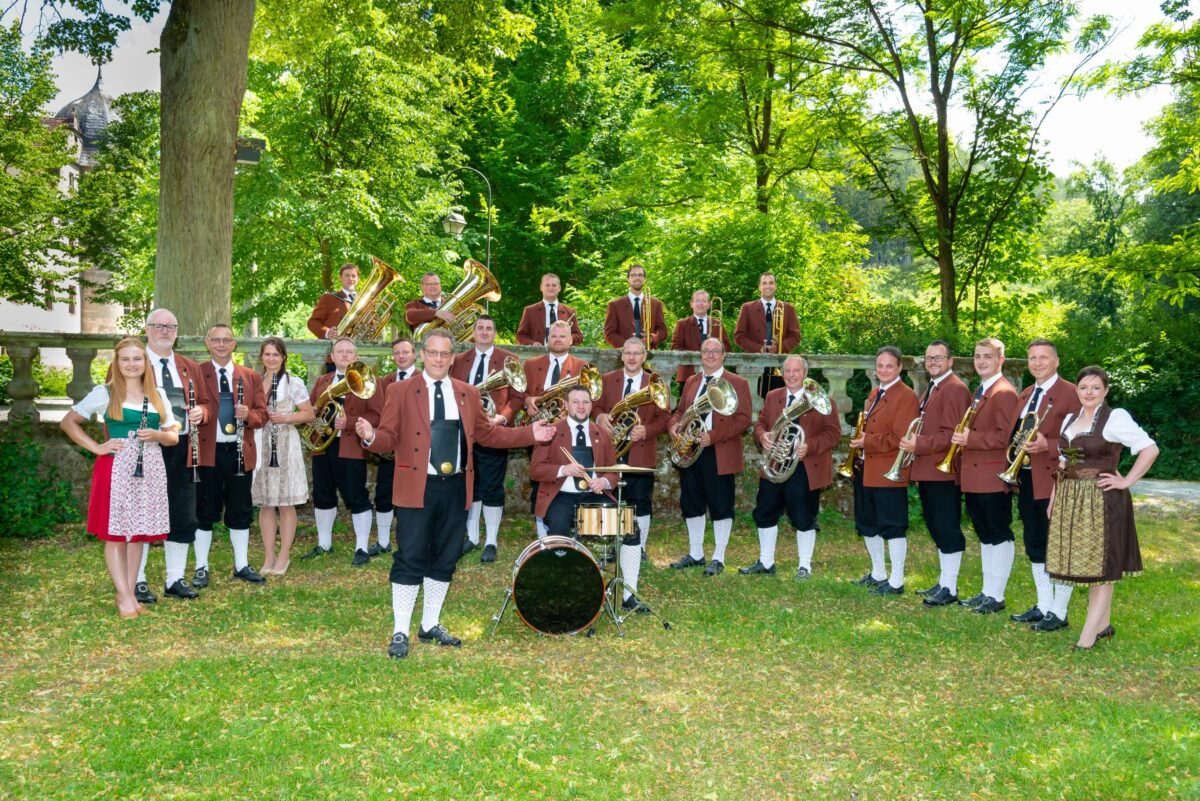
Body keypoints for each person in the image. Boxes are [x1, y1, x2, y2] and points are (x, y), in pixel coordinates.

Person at [356, 330, 555, 659]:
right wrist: (370, 436)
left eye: (444, 353)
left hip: (456, 487)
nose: (437, 358)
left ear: (452, 357)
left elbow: (488, 434)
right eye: (432, 352)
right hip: (418, 487)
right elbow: (388, 438)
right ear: (422, 354)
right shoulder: (400, 390)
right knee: (410, 556)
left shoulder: (467, 393)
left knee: (446, 557)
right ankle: (401, 630)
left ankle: (430, 624)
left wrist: (529, 433)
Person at [61, 337, 178, 618]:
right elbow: (68, 422)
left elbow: (173, 435)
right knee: (115, 534)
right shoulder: (106, 392)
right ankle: (125, 596)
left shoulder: (158, 394)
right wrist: (97, 447)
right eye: (125, 359)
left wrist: (159, 435)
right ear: (117, 362)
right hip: (116, 468)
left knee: (137, 534)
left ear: (145, 362)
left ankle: (127, 592)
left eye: (137, 358)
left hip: (149, 467)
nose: (131, 364)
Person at [1046, 366, 1159, 650]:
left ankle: (1087, 637)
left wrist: (1126, 481)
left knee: (1101, 568)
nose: (1089, 392)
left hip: (1102, 499)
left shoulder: (1115, 418)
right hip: (1072, 498)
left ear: (1106, 391)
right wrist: (1053, 498)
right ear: (1077, 389)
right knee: (1089, 563)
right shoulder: (1069, 419)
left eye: (1096, 387)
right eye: (1084, 387)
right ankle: (1104, 625)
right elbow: (1062, 463)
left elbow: (1149, 448)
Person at [136, 308, 213, 602]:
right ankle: (138, 579)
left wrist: (201, 411)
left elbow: (206, 403)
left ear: (177, 331)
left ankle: (175, 578)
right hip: (145, 447)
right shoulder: (132, 361)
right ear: (147, 328)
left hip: (182, 448)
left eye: (171, 326)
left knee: (182, 513)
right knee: (141, 512)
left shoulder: (188, 366)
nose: (165, 331)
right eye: (158, 326)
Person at [742, 356, 841, 579]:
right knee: (764, 512)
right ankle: (766, 563)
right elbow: (761, 423)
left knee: (803, 515)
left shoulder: (822, 400)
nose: (791, 375)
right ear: (782, 372)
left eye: (796, 370)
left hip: (804, 466)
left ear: (805, 373)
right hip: (775, 464)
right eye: (787, 370)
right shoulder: (773, 396)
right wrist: (762, 436)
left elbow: (834, 434)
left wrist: (810, 445)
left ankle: (804, 566)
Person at [1007, 339, 1081, 631]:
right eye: (1033, 358)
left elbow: (1081, 440)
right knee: (1035, 544)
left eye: (1044, 358)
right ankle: (1043, 605)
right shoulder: (1026, 393)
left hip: (1055, 480)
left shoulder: (1071, 393)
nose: (1037, 363)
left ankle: (1060, 613)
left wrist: (1047, 445)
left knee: (1059, 547)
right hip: (1026, 478)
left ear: (1057, 361)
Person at [668, 338, 753, 576]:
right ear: (700, 354)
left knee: (720, 504)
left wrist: (713, 435)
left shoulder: (738, 383)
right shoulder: (692, 381)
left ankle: (719, 557)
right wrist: (674, 426)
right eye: (706, 351)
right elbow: (680, 412)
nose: (711, 355)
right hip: (690, 450)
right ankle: (696, 553)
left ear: (724, 355)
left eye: (716, 351)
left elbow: (744, 419)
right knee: (691, 502)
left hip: (719, 450)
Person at [193, 324, 269, 586]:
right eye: (216, 340)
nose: (221, 345)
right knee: (205, 510)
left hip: (238, 452)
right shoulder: (196, 372)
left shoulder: (250, 376)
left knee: (240, 510)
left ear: (234, 343)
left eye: (226, 340)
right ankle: (201, 567)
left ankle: (241, 564)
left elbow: (263, 414)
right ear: (207, 342)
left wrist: (249, 416)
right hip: (208, 451)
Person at [898, 340, 972, 606]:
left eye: (939, 358)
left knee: (946, 527)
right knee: (936, 527)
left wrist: (919, 444)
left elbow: (953, 435)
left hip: (942, 469)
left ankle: (950, 589)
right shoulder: (935, 387)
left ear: (951, 361)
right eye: (929, 358)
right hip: (928, 469)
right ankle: (944, 582)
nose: (933, 362)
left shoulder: (954, 389)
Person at [951, 338, 1020, 614]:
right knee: (985, 533)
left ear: (1000, 360)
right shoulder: (981, 388)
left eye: (987, 357)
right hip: (976, 475)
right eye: (978, 356)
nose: (981, 361)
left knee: (998, 533)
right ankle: (987, 591)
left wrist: (970, 437)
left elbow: (1006, 437)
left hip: (992, 474)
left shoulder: (1004, 392)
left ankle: (997, 596)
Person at [451, 315, 525, 563]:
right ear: (473, 332)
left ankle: (491, 540)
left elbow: (517, 398)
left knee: (492, 486)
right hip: (465, 431)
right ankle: (471, 538)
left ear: (494, 333)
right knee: (468, 484)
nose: (484, 332)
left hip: (494, 429)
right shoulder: (460, 360)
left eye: (489, 328)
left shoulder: (509, 359)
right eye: (480, 328)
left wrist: (502, 419)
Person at [300, 338, 380, 566]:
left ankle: (362, 548)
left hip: (351, 446)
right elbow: (313, 411)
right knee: (322, 495)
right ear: (332, 357)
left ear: (356, 357)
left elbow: (377, 416)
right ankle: (324, 544)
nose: (345, 356)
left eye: (349, 352)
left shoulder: (368, 383)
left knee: (356, 496)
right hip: (323, 447)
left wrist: (350, 422)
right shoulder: (323, 380)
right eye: (340, 352)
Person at [848, 347, 920, 595]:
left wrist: (865, 441)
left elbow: (900, 437)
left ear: (900, 367)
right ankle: (879, 573)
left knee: (892, 525)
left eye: (889, 366)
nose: (884, 370)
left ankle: (897, 580)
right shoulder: (875, 392)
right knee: (868, 522)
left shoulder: (907, 396)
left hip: (890, 468)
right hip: (867, 467)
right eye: (880, 366)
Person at [593, 337, 670, 561]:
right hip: (610, 450)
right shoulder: (607, 380)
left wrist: (646, 430)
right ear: (621, 355)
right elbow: (594, 405)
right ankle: (614, 546)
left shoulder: (656, 384)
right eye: (628, 353)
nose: (632, 357)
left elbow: (665, 418)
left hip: (640, 449)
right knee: (612, 501)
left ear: (644, 356)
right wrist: (600, 416)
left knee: (640, 501)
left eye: (637, 353)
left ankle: (640, 548)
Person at [523, 320, 593, 537]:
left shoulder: (583, 366)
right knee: (539, 479)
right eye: (554, 336)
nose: (558, 339)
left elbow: (591, 399)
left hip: (569, 432)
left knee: (566, 479)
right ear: (547, 339)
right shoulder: (531, 364)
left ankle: (570, 527)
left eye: (563, 336)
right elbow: (520, 394)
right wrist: (528, 400)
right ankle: (541, 529)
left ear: (571, 340)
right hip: (539, 430)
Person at [252, 337, 315, 577]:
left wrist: (286, 418)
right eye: (267, 354)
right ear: (261, 357)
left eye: (276, 355)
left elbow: (308, 414)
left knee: (286, 503)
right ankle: (269, 554)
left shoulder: (293, 382)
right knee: (266, 503)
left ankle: (284, 555)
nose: (271, 359)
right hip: (261, 442)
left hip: (285, 443)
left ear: (284, 357)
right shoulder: (254, 381)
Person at [367, 337, 417, 560]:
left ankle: (412, 541)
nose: (401, 356)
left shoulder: (424, 379)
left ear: (414, 354)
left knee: (413, 496)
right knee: (384, 494)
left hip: (416, 449)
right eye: (397, 353)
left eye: (405, 352)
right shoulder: (384, 382)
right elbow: (379, 414)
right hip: (390, 449)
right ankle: (384, 541)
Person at [732, 272, 801, 397]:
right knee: (753, 401)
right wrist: (758, 348)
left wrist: (780, 347)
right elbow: (739, 336)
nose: (767, 286)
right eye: (764, 283)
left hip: (779, 364)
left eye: (771, 283)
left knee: (777, 403)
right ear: (759, 287)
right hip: (754, 364)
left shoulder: (788, 308)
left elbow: (795, 336)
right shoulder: (747, 308)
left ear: (775, 286)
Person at [670, 289, 731, 385]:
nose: (700, 304)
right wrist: (697, 356)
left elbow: (727, 347)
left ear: (709, 304)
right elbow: (675, 347)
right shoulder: (682, 324)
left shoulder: (717, 323)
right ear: (691, 304)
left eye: (704, 301)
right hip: (688, 375)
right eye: (697, 301)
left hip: (714, 375)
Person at [307, 262, 359, 371]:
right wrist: (327, 332)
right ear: (340, 278)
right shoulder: (329, 298)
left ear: (358, 278)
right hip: (336, 359)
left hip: (360, 357)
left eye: (353, 276)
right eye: (347, 275)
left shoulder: (365, 300)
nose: (351, 279)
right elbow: (312, 322)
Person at [603, 263, 668, 349]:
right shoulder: (614, 305)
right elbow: (609, 333)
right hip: (625, 355)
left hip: (649, 354)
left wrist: (651, 338)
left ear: (644, 279)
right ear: (628, 279)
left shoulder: (656, 304)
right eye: (633, 275)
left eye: (640, 275)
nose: (637, 278)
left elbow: (663, 331)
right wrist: (628, 345)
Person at [516, 273, 583, 346]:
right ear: (541, 287)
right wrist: (532, 343)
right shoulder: (530, 311)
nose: (551, 288)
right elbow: (520, 336)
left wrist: (567, 338)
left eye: (554, 285)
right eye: (547, 285)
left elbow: (579, 336)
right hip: (538, 355)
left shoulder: (570, 312)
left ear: (559, 288)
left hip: (562, 355)